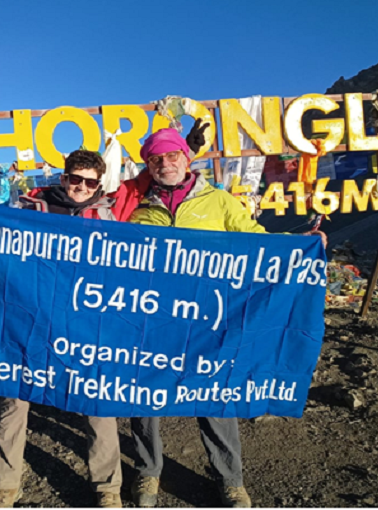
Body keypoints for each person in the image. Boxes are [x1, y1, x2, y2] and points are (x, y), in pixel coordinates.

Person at [111, 126, 326, 508]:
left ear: (185, 157)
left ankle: (230, 478)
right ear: (148, 165)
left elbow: (256, 239)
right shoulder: (135, 206)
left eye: (171, 155)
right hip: (151, 319)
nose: (165, 164)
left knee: (213, 393)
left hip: (209, 321)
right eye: (156, 159)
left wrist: (300, 248)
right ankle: (147, 473)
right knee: (144, 396)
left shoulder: (219, 201)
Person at [0, 150, 122, 508]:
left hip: (87, 325)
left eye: (89, 182)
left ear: (99, 184)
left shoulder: (108, 214)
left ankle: (108, 489)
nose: (80, 187)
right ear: (64, 178)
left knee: (98, 401)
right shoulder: (31, 209)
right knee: (15, 398)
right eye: (75, 179)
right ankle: (5, 485)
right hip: (31, 321)